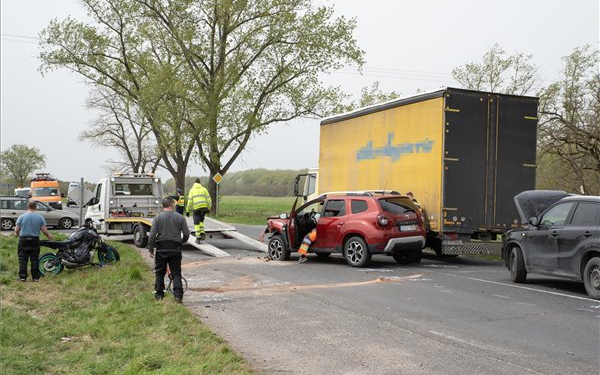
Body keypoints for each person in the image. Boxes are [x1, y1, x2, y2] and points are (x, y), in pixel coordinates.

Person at [147, 196, 190, 303]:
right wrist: (181, 241)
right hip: (175, 248)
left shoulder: (157, 218)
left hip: (161, 248)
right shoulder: (180, 217)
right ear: (172, 205)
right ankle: (178, 296)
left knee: (160, 272)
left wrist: (151, 248)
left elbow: (152, 235)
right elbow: (186, 234)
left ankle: (159, 294)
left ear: (163, 206)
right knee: (176, 273)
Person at [14, 200, 53, 282]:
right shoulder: (40, 217)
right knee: (34, 259)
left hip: (23, 240)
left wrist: (16, 234)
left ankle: (23, 277)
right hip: (34, 240)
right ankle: (35, 277)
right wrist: (48, 236)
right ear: (35, 207)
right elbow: (44, 230)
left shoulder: (21, 217)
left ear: (27, 206)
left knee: (23, 259)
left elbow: (17, 229)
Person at [186, 178, 211, 243]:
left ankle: (198, 238)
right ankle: (202, 234)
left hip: (197, 209)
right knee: (201, 221)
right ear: (200, 183)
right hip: (204, 208)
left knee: (196, 223)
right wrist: (208, 208)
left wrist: (187, 211)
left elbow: (190, 202)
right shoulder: (204, 189)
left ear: (194, 183)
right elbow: (209, 200)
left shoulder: (192, 190)